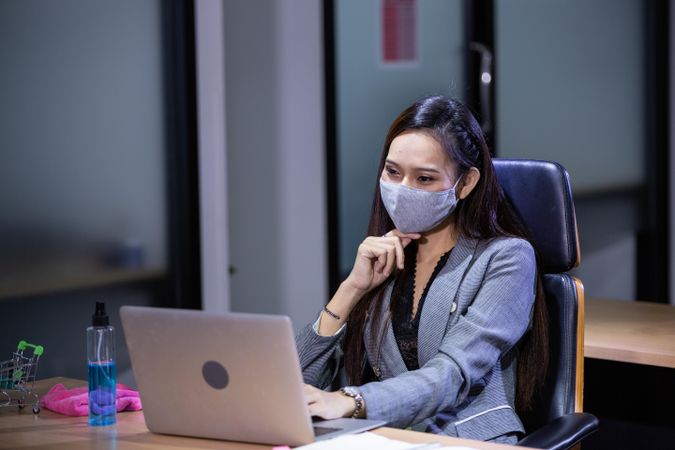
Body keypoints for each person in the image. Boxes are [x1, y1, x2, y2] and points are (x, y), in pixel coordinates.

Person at [296, 95, 548, 444]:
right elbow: (301, 386)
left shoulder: (507, 258)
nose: (402, 190)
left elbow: (453, 375)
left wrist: (352, 401)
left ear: (466, 183)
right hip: (389, 438)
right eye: (393, 172)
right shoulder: (385, 255)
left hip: (465, 439)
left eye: (425, 179)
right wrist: (351, 288)